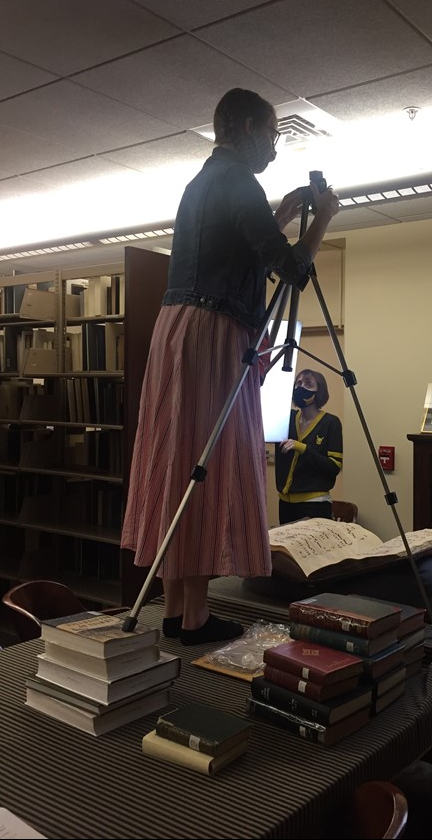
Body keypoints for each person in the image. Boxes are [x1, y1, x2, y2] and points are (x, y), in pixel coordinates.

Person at [120, 88, 339, 645]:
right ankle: (193, 619)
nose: (274, 144)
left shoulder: (203, 183)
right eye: (271, 132)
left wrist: (282, 212)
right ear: (243, 126)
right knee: (208, 462)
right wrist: (323, 219)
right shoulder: (240, 182)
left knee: (179, 460)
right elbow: (290, 269)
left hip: (181, 331)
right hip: (214, 335)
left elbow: (231, 246)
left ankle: (176, 610)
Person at [275, 368, 343, 525]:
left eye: (308, 384)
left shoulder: (331, 423)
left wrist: (303, 448)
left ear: (319, 392)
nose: (300, 387)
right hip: (285, 503)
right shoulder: (286, 419)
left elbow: (334, 467)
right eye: (298, 383)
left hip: (315, 504)